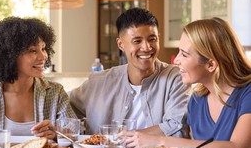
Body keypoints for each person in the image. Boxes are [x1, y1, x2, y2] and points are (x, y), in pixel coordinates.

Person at [125, 17, 251, 148]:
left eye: (184, 54)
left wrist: (159, 142)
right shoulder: (197, 100)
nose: (176, 60)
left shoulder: (247, 93)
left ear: (211, 65)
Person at [0, 17, 77, 141]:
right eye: (33, 50)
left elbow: (75, 132)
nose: (43, 56)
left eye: (43, 48)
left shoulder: (55, 92)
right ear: (9, 56)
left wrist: (56, 134)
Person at [69, 8, 190, 136]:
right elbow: (64, 107)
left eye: (152, 39)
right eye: (137, 41)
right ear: (121, 44)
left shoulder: (176, 77)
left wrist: (128, 137)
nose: (147, 47)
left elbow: (177, 125)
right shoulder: (98, 82)